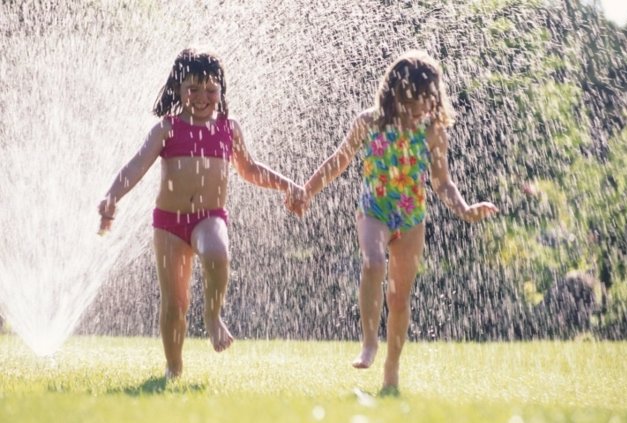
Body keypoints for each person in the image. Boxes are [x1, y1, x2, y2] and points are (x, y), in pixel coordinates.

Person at [288, 50, 498, 393]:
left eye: (427, 104)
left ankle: (391, 370)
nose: (419, 111)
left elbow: (442, 182)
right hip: (374, 210)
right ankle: (369, 340)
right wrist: (307, 190)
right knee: (372, 263)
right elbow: (339, 160)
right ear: (394, 96)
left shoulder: (433, 132)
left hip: (412, 217)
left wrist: (464, 209)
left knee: (399, 299)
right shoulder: (369, 122)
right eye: (412, 103)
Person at [98, 48, 303, 380]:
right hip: (168, 224)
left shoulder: (228, 127)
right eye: (192, 89)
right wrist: (112, 195)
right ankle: (173, 367)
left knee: (217, 252)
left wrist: (287, 184)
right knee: (174, 305)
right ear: (178, 90)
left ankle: (213, 316)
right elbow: (137, 165)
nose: (202, 97)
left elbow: (249, 169)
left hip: (209, 217)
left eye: (211, 90)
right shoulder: (167, 128)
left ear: (221, 91)